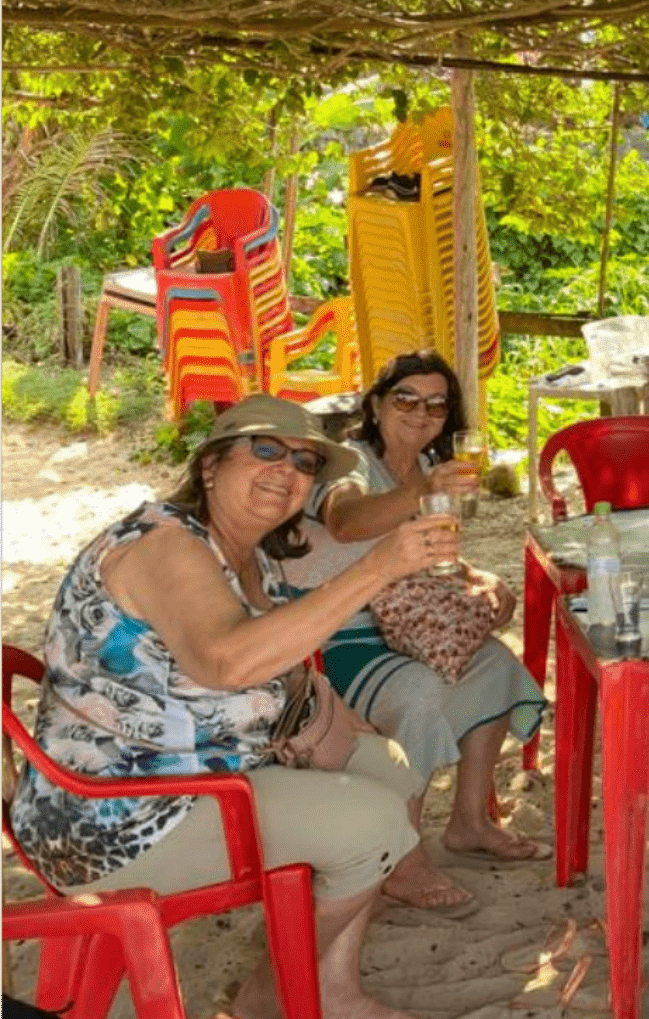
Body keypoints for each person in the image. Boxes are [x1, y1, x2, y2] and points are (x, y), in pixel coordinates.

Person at [10, 395, 450, 1019]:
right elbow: (225, 662)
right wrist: (376, 568)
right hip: (115, 816)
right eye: (265, 450)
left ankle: (333, 985)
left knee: (390, 767)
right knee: (370, 823)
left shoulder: (249, 554)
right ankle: (269, 996)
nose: (287, 470)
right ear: (211, 465)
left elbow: (278, 669)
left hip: (197, 777)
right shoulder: (165, 544)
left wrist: (339, 724)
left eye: (303, 461)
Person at [284, 350, 547, 913]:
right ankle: (402, 860)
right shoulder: (347, 465)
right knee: (420, 692)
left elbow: (431, 553)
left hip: (404, 622)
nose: (421, 412)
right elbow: (347, 522)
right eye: (405, 398)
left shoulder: (431, 462)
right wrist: (421, 488)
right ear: (375, 404)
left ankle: (469, 821)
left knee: (497, 664)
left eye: (436, 403)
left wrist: (480, 580)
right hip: (339, 632)